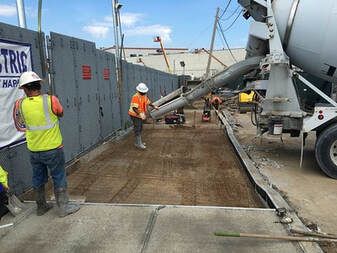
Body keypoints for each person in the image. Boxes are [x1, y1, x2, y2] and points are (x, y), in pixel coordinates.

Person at [13, 71, 80, 217]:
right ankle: (63, 208)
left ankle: (41, 207)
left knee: (38, 178)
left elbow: (19, 125)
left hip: (34, 149)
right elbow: (60, 113)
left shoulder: (19, 104)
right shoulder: (51, 100)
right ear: (39, 85)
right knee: (58, 176)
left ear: (24, 89)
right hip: (53, 148)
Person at [128, 82, 159, 149]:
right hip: (134, 115)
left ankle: (138, 142)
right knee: (138, 128)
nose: (144, 93)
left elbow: (148, 102)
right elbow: (134, 108)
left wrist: (154, 106)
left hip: (140, 115)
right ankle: (139, 144)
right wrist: (140, 114)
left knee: (140, 128)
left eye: (144, 92)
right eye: (143, 92)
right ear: (139, 91)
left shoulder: (144, 96)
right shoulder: (135, 97)